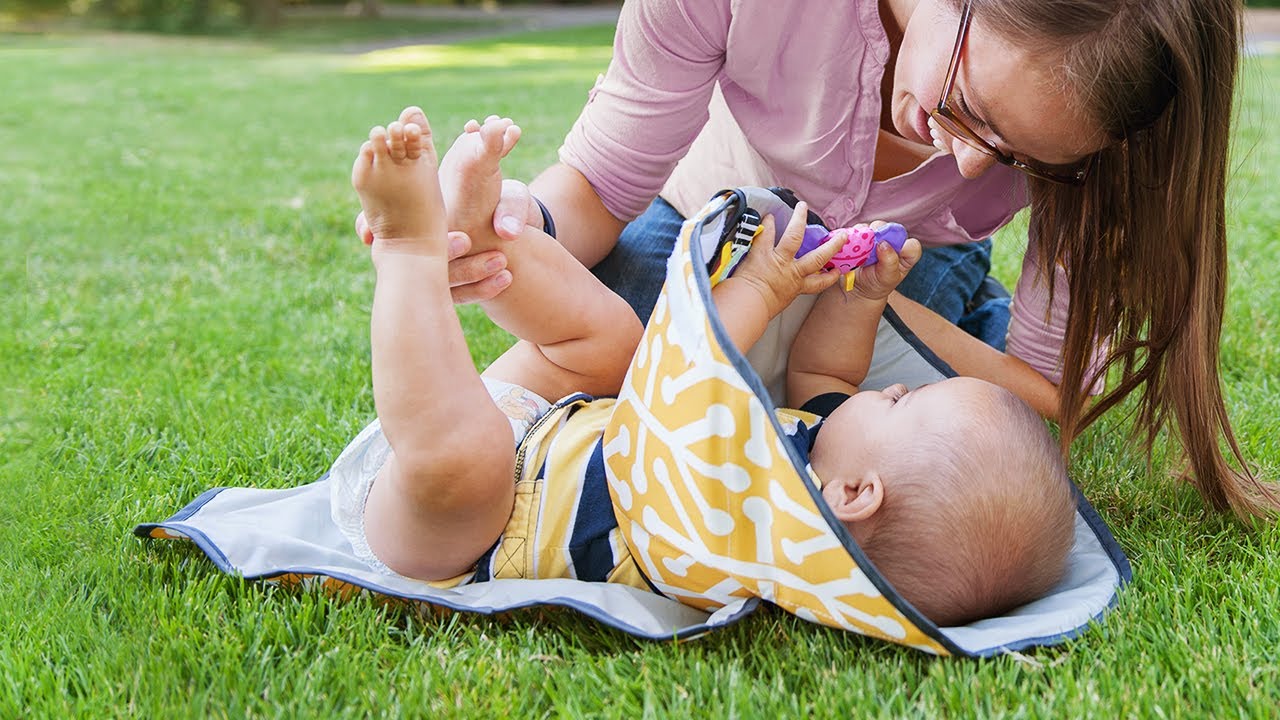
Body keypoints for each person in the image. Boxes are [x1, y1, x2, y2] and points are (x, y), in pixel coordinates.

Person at [337, 106, 1075, 626]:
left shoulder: (774, 538)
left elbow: (684, 380)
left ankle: (409, 252)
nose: (896, 388)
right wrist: (865, 299)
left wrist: (756, 288)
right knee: (609, 344)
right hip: (546, 430)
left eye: (903, 402)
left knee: (465, 458)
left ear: (854, 494)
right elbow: (829, 377)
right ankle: (484, 238)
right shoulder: (825, 448)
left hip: (467, 531)